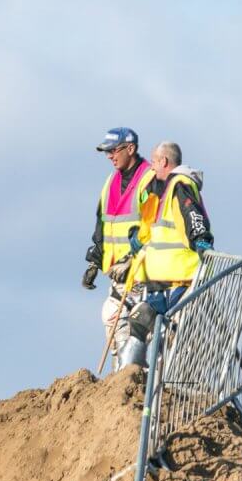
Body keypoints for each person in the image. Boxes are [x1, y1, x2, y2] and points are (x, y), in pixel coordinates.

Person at [117, 141, 213, 366]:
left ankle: (170, 379)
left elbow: (192, 216)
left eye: (154, 162)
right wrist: (137, 239)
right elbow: (151, 226)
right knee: (139, 322)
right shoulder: (160, 190)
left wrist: (201, 239)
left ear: (164, 161)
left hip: (180, 281)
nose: (151, 167)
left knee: (175, 337)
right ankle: (130, 379)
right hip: (157, 282)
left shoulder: (181, 185)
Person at [82, 127, 155, 371]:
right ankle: (124, 377)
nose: (110, 156)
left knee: (140, 329)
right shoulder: (110, 183)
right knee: (112, 318)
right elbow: (102, 224)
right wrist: (95, 260)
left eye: (114, 150)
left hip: (142, 273)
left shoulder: (149, 179)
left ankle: (139, 377)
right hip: (117, 274)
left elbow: (153, 226)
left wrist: (133, 257)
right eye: (107, 152)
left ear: (130, 149)